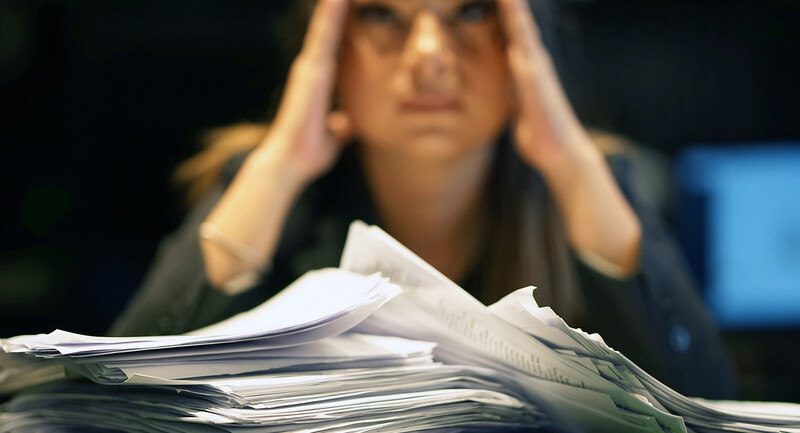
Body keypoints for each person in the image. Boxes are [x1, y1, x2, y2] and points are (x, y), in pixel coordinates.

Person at [110, 0, 736, 399]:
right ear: (323, 50)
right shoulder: (266, 184)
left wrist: (569, 159)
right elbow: (105, 401)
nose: (430, 55)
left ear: (527, 45)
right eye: (382, 14)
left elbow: (707, 401)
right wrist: (280, 165)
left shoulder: (590, 185)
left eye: (470, 12)